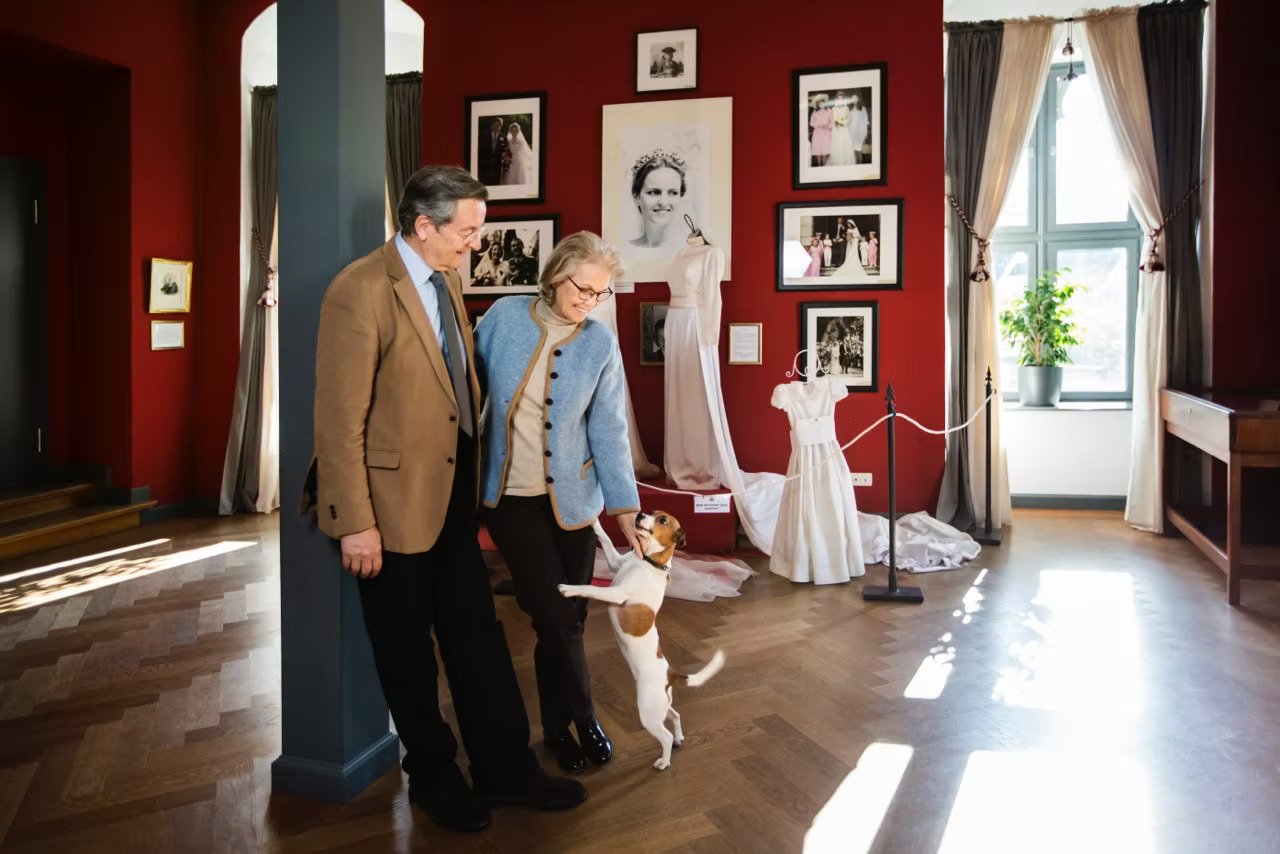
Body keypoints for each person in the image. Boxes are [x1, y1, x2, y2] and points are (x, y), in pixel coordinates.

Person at [311, 165, 585, 834]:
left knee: (478, 640)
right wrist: (354, 523)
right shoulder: (359, 290)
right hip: (389, 511)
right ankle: (434, 778)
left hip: (455, 501)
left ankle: (506, 769)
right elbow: (338, 421)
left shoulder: (448, 281)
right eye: (466, 231)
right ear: (423, 225)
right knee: (406, 653)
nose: (476, 244)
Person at [474, 231, 643, 775]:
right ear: (554, 275)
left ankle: (556, 729)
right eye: (583, 288)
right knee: (554, 615)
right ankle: (586, 720)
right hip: (510, 500)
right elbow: (464, 392)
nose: (590, 301)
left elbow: (609, 428)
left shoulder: (600, 344)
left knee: (569, 618)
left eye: (601, 293)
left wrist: (624, 507)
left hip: (574, 502)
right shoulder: (503, 318)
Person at [629, 149, 687, 249]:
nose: (663, 202)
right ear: (636, 197)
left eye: (673, 193)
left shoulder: (697, 250)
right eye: (654, 192)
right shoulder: (621, 249)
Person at [478, 116, 508, 186]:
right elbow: (480, 149)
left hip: (497, 164)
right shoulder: (484, 135)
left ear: (501, 126)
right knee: (484, 182)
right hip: (485, 163)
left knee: (496, 182)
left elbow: (505, 151)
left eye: (499, 125)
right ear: (492, 124)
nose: (497, 126)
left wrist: (504, 161)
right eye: (495, 124)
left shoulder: (503, 138)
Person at [502, 121, 534, 186]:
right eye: (513, 131)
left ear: (518, 131)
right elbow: (506, 150)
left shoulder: (521, 141)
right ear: (510, 131)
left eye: (516, 131)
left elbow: (524, 153)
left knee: (519, 178)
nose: (514, 133)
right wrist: (506, 157)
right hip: (510, 162)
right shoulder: (508, 140)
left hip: (519, 162)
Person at [809, 94, 832, 166]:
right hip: (817, 133)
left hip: (826, 133)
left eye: (822, 102)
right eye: (819, 103)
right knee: (818, 152)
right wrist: (818, 125)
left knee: (825, 152)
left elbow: (832, 122)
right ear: (817, 104)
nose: (821, 104)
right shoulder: (815, 112)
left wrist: (827, 126)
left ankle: (824, 167)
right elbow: (811, 123)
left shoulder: (829, 111)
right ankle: (819, 166)